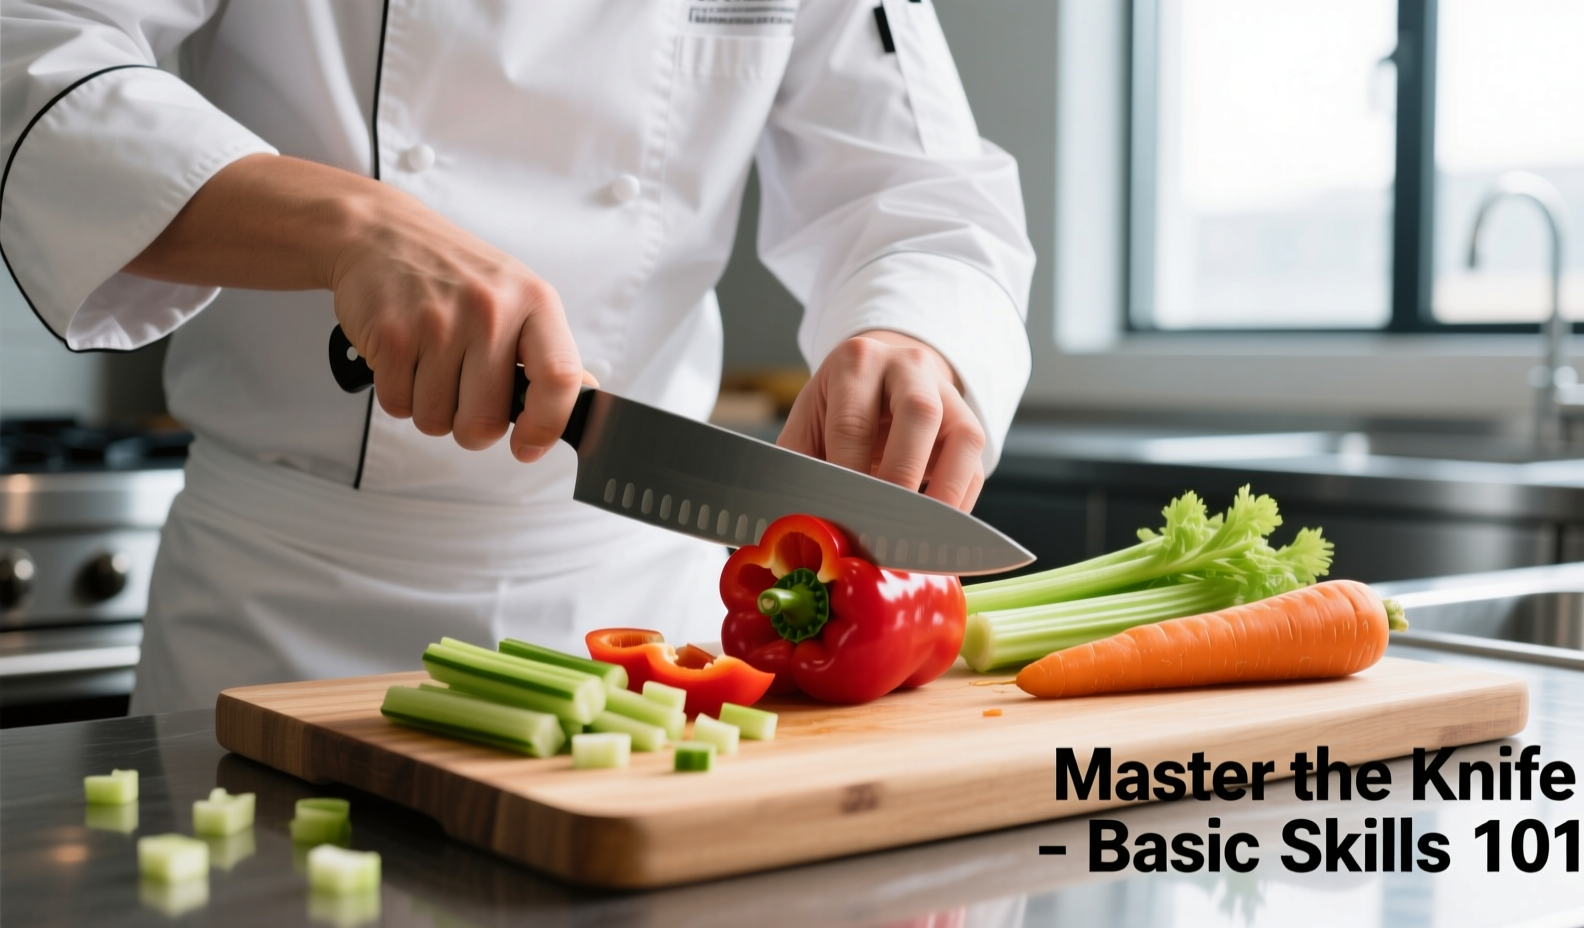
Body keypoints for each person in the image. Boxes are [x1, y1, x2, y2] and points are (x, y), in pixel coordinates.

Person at [1, 2, 1034, 713]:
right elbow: (32, 49)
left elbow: (923, 194)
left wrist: (916, 332)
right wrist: (352, 225)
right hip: (280, 614)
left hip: (639, 621)